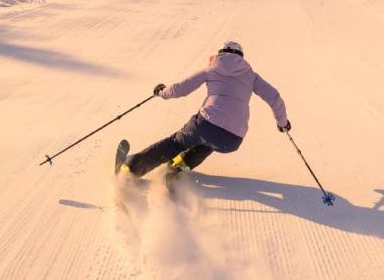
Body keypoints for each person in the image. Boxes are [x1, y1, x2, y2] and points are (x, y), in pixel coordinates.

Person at [120, 40, 290, 178]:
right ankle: (179, 167)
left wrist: (162, 92)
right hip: (233, 139)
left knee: (176, 143)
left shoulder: (212, 69)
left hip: (206, 124)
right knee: (209, 142)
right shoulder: (252, 76)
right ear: (241, 57)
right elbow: (274, 98)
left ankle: (132, 168)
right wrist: (282, 123)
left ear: (220, 54)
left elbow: (181, 88)